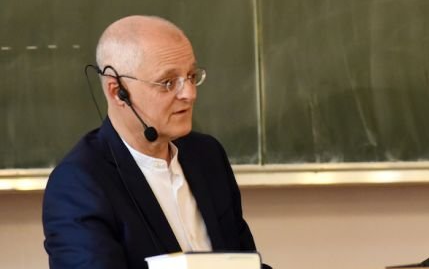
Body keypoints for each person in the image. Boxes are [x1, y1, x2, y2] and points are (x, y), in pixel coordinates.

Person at [42, 15, 270, 269]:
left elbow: (244, 261)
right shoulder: (79, 184)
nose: (189, 94)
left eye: (192, 76)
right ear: (117, 91)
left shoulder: (207, 155)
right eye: (168, 82)